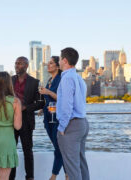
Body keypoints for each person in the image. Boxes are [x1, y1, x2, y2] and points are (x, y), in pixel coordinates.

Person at [56, 48, 90, 180]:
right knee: (81, 164)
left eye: (59, 59)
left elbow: (67, 106)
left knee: (72, 167)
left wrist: (62, 127)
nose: (59, 62)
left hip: (72, 125)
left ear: (64, 60)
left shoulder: (67, 78)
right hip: (82, 123)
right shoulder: (78, 77)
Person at [10, 56, 45, 180]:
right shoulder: (10, 80)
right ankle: (10, 177)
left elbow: (41, 103)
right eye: (15, 63)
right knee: (11, 152)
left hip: (26, 121)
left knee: (27, 152)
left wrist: (26, 108)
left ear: (26, 66)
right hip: (10, 122)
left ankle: (29, 177)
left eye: (19, 63)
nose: (16, 65)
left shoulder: (34, 82)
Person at [38, 56, 67, 180]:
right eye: (47, 64)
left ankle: (54, 176)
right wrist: (42, 108)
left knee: (59, 148)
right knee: (58, 148)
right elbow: (48, 99)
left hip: (57, 119)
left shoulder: (61, 79)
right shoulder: (49, 80)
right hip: (48, 118)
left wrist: (48, 92)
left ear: (57, 66)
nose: (48, 65)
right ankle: (67, 175)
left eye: (51, 63)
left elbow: (62, 98)